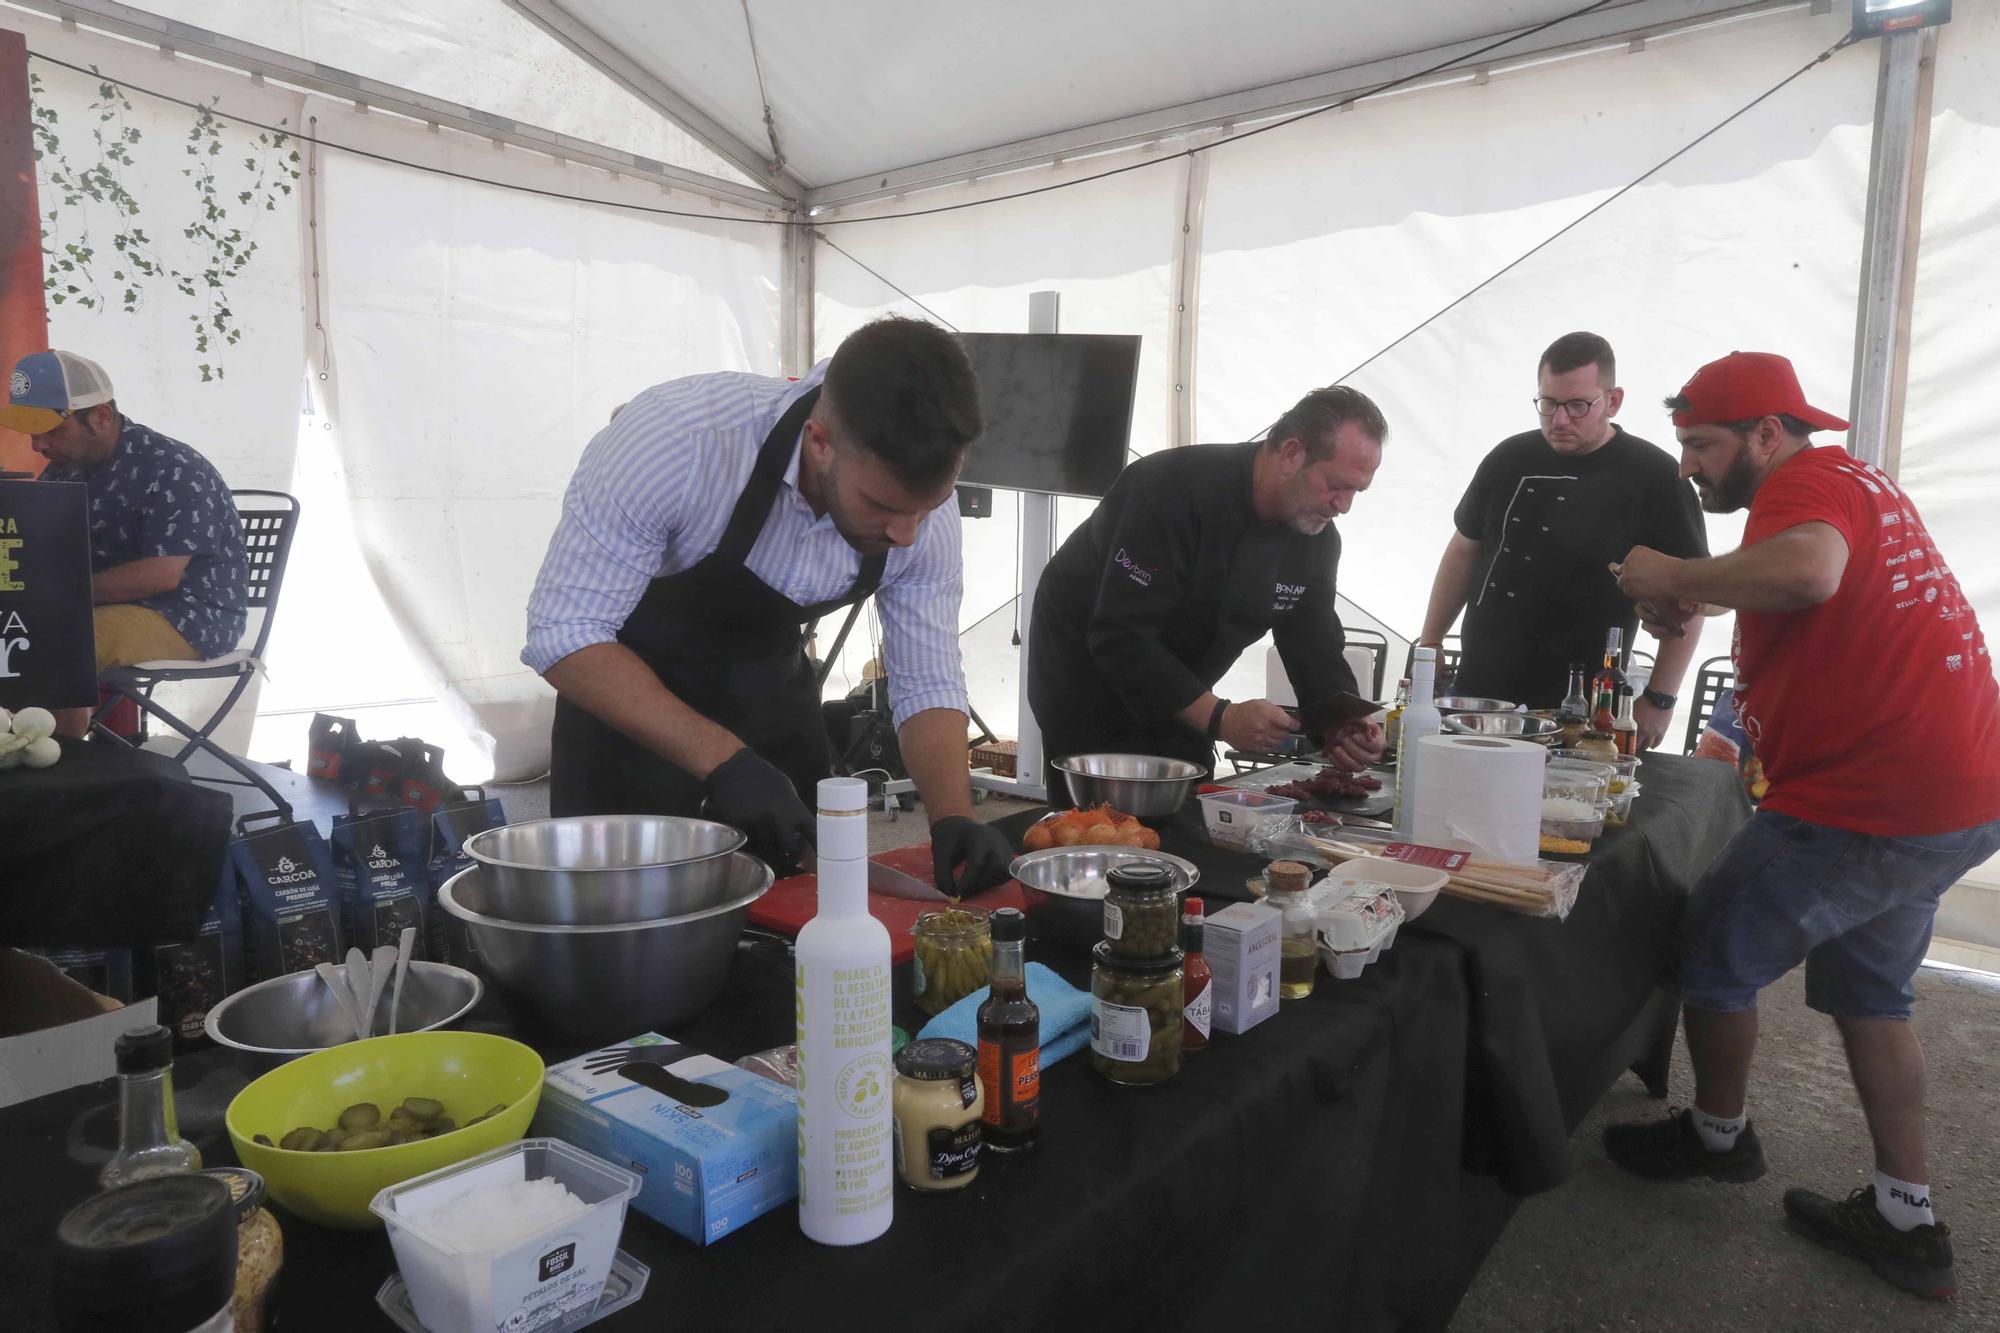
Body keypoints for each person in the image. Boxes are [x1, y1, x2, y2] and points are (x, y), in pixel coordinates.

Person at [1604, 351, 2000, 1300]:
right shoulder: (1852, 480)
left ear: (1767, 433)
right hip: (1956, 793)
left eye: (1702, 445)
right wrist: (1707, 588)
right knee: (1872, 993)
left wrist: (1669, 567)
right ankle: (1908, 1217)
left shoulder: (1806, 479)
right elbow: (1816, 587)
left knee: (1713, 949)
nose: (1691, 468)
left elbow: (1814, 572)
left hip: (1872, 802)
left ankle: (1718, 1138)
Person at [523, 318, 1015, 894]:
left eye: (926, 509)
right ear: (820, 442)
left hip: (773, 716)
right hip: (625, 719)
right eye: (882, 505)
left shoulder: (921, 517)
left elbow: (927, 680)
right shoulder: (679, 441)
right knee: (622, 939)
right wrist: (723, 759)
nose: (906, 534)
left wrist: (953, 814)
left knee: (792, 934)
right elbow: (564, 632)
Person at [1027, 385, 1390, 787]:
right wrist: (1219, 716)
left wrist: (1343, 723)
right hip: (1085, 679)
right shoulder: (1169, 490)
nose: (1344, 505)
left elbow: (1313, 642)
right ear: (1291, 454)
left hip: (1184, 685)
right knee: (1102, 828)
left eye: (1357, 491)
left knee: (1185, 818)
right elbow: (1121, 637)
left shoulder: (1317, 540)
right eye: (1337, 484)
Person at [1416, 332, 1708, 746]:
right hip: (1479, 695)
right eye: (1548, 404)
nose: (1559, 420)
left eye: (1577, 406)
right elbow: (1464, 551)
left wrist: (1660, 699)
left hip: (1584, 705)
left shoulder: (1656, 476)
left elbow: (1692, 599)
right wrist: (1430, 641)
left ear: (1613, 400)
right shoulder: (1507, 458)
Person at [0, 350, 247, 733]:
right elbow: (38, 552)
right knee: (22, 631)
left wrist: (49, 598)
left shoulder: (171, 467)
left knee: (55, 638)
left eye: (51, 430)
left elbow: (160, 576)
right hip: (95, 608)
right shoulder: (64, 471)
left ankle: (60, 768)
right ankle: (28, 755)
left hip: (188, 614)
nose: (38, 445)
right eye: (33, 432)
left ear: (101, 416)